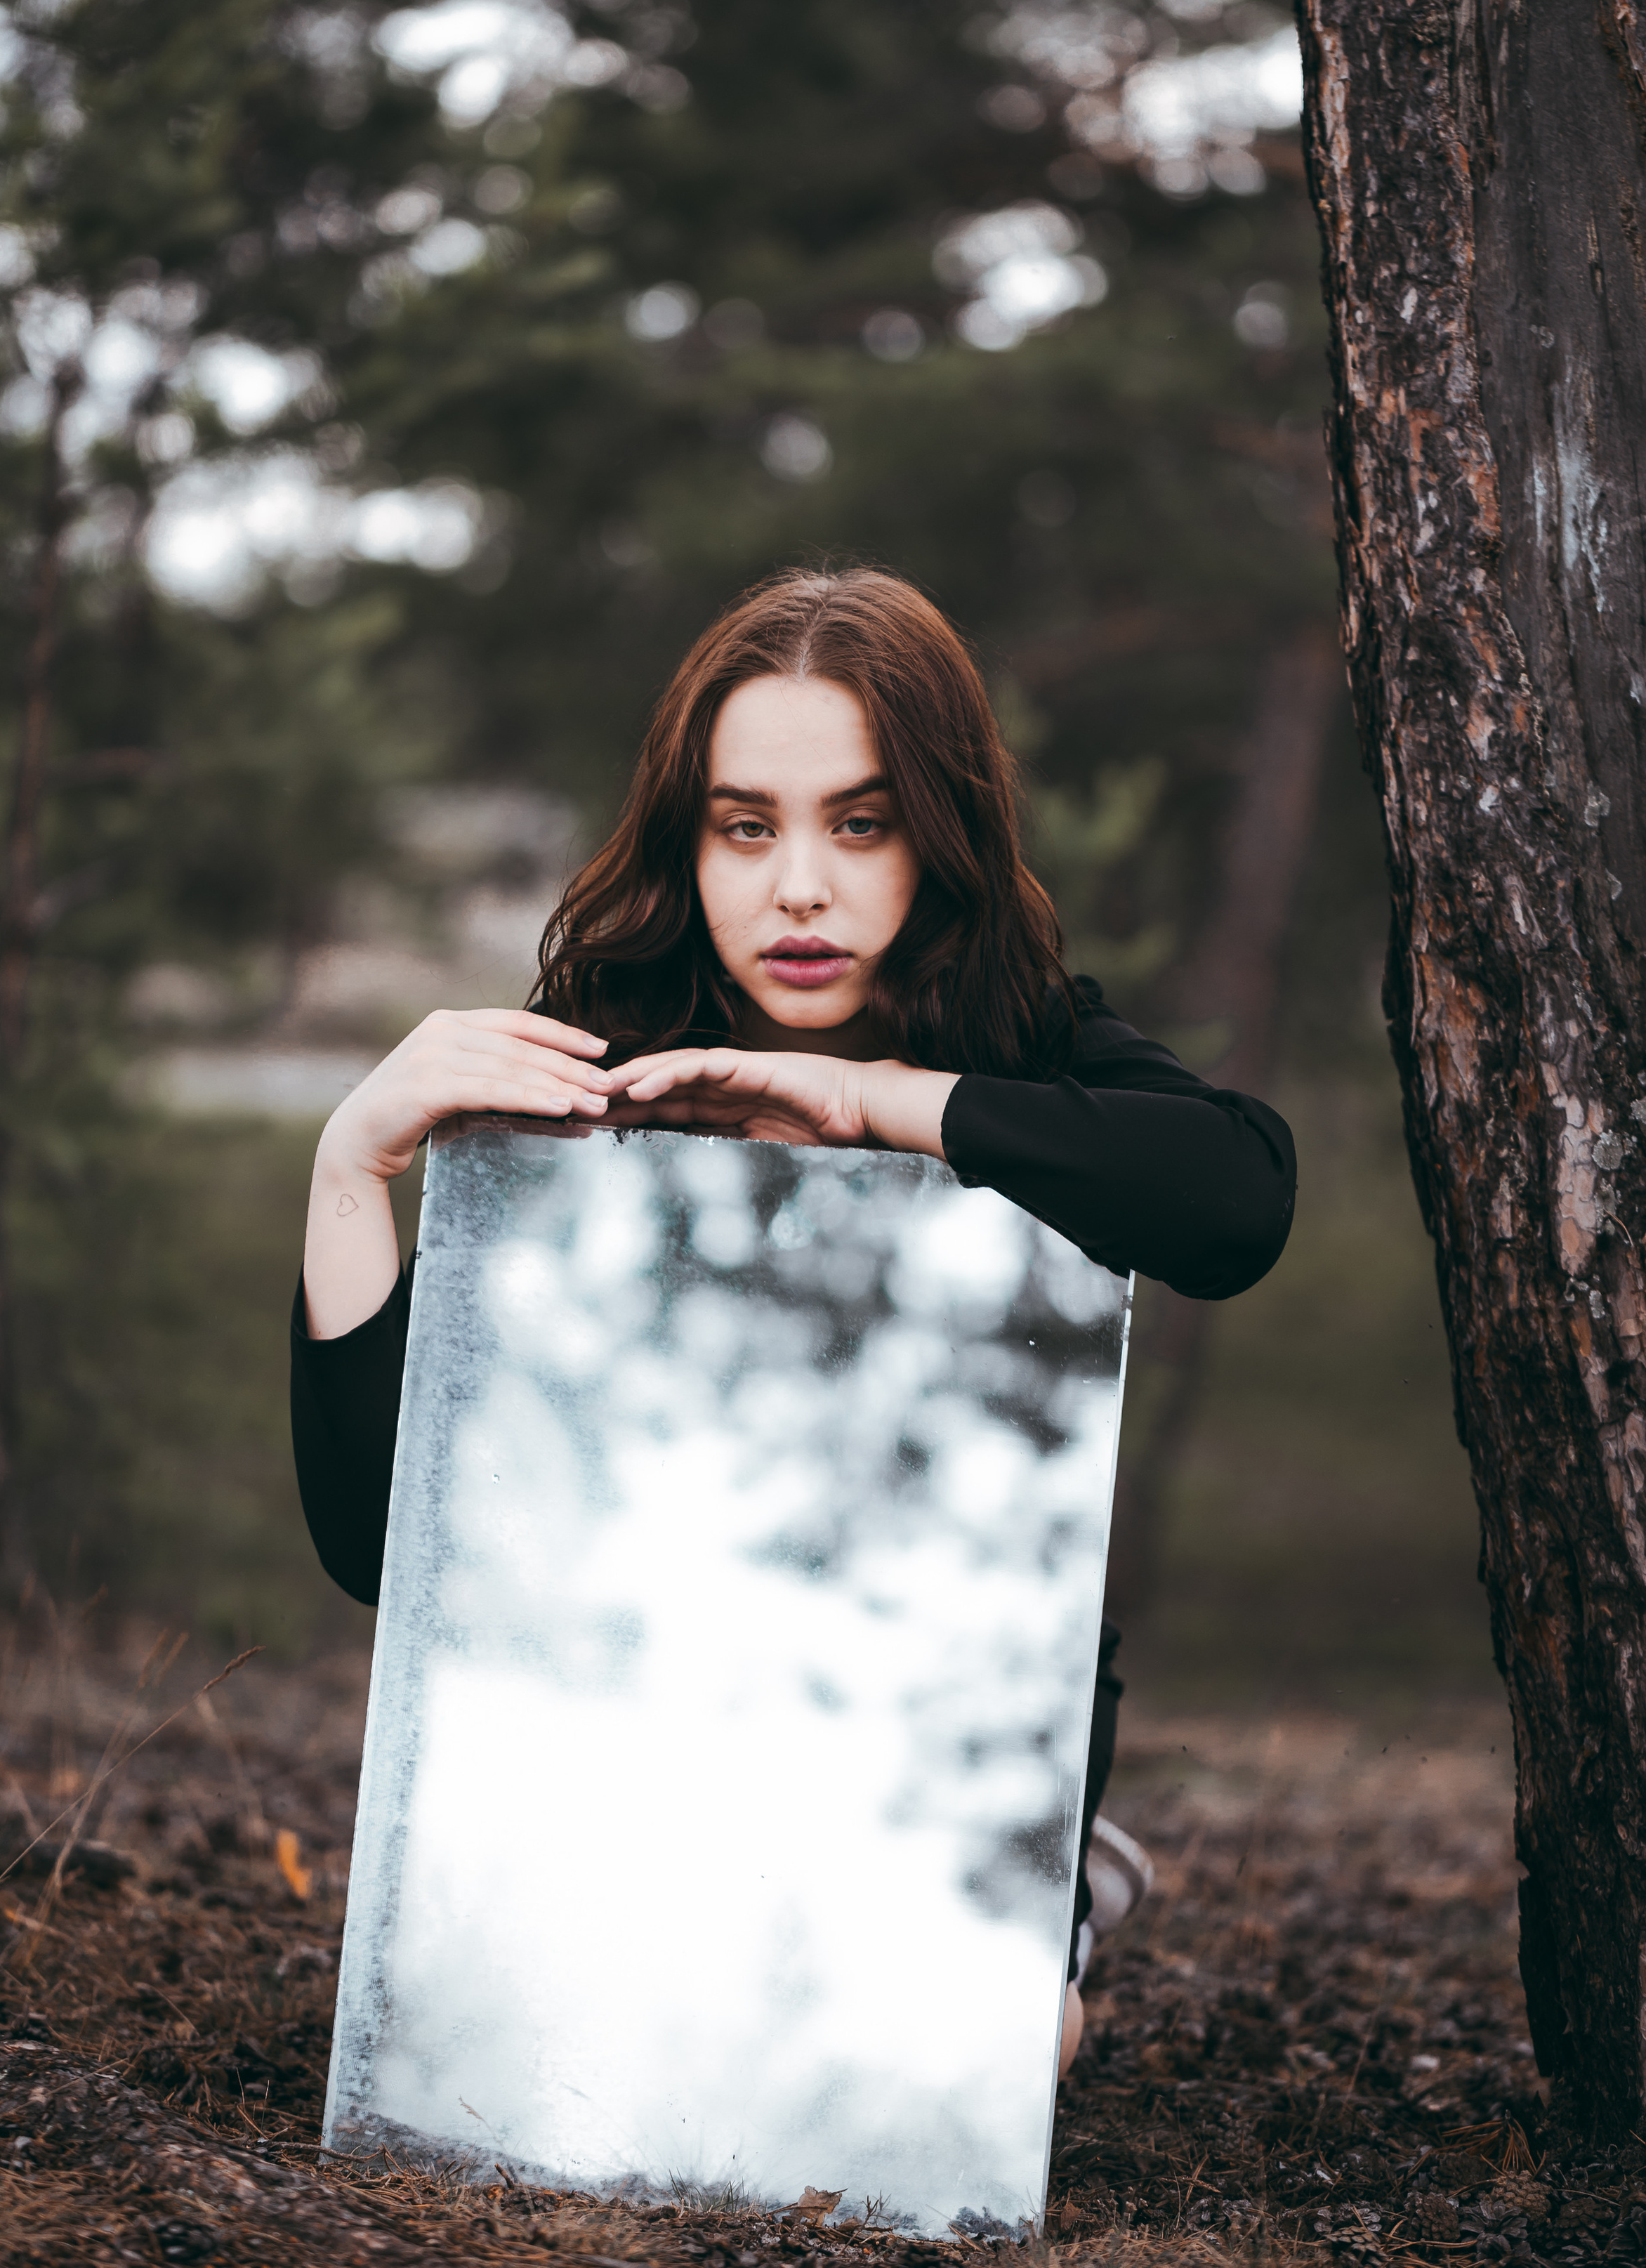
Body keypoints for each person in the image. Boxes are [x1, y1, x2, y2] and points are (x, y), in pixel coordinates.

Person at [292, 565, 1296, 2079]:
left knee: (987, 2052)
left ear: (937, 836)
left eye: (862, 822)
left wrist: (875, 1105)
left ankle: (1061, 1888)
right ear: (687, 842)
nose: (800, 888)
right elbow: (384, 1545)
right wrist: (352, 1164)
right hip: (642, 1740)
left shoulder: (1021, 1051)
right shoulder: (598, 1079)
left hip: (946, 1761)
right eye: (745, 825)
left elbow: (1234, 1202)